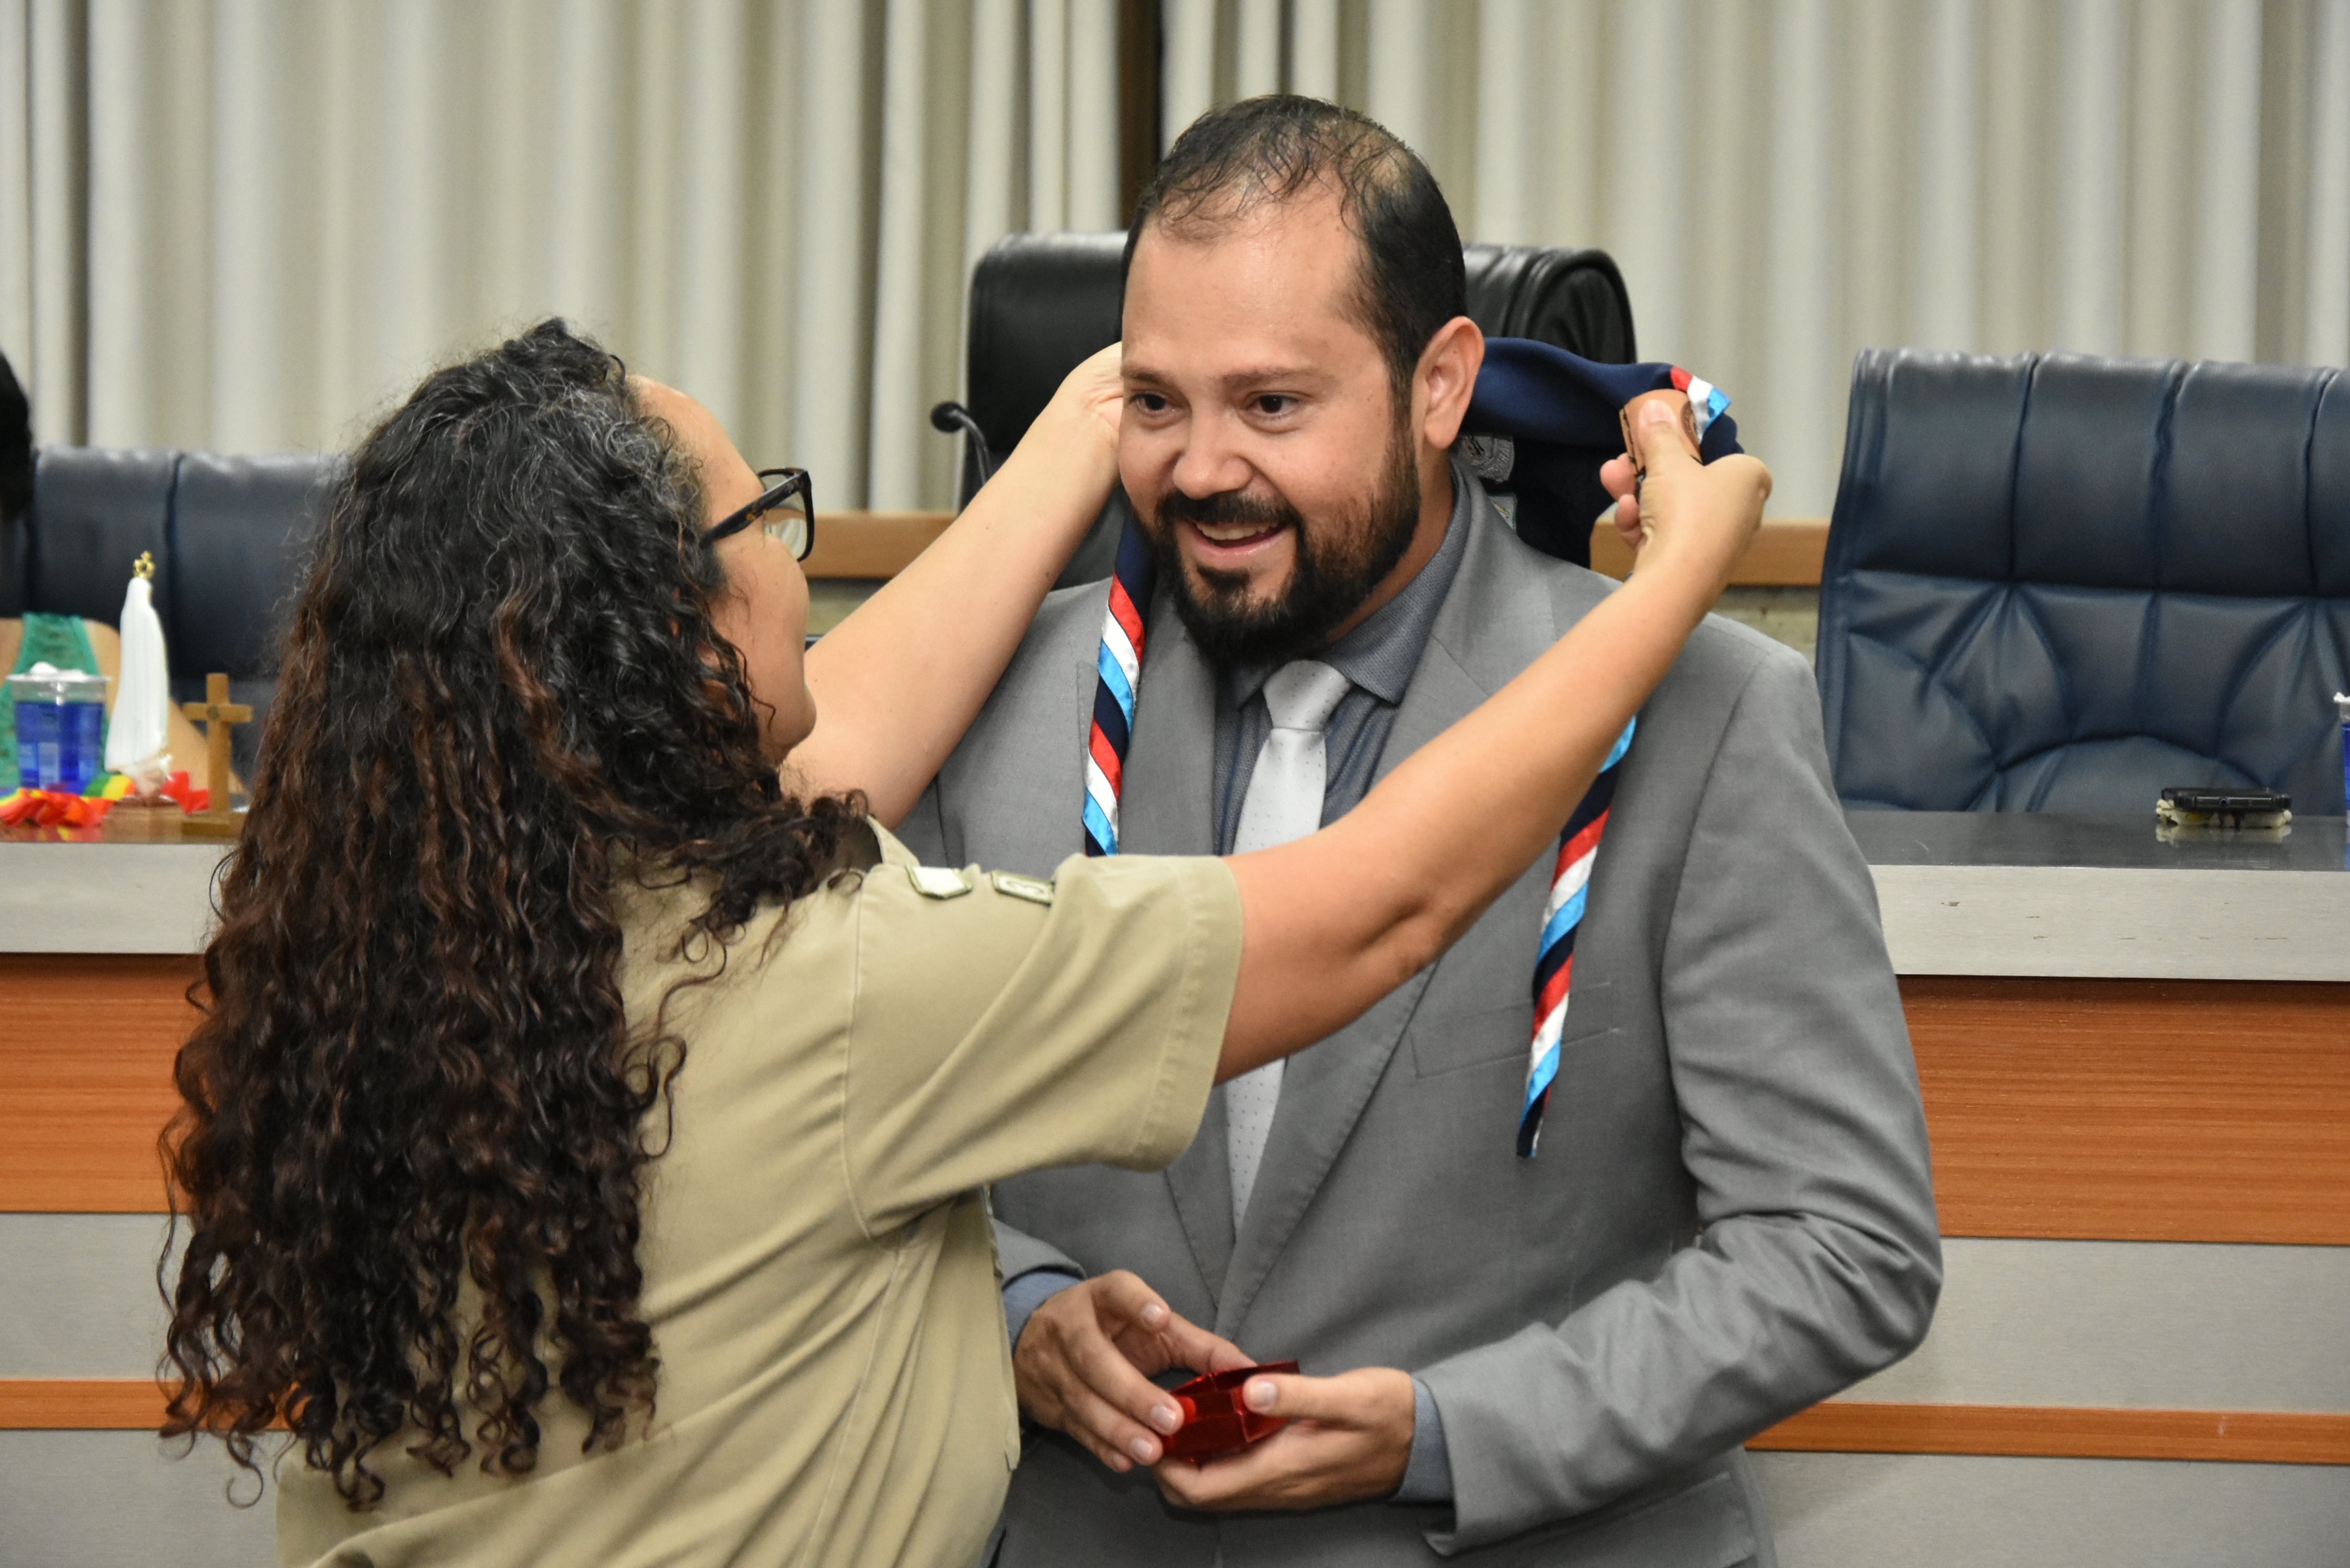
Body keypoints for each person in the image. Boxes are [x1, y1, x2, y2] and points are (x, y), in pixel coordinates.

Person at [158, 318, 1768, 1568]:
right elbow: (1380, 904)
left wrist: (1118, 407)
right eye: (767, 516)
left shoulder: (454, 934)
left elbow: (840, 733)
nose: (796, 561)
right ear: (669, 632)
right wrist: (1680, 576)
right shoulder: (829, 974)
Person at [897, 96, 1940, 1564]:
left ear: (1440, 385)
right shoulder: (989, 697)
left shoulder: (1705, 716)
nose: (1201, 469)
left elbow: (1842, 1249)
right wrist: (1012, 1309)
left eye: (1273, 405)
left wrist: (1450, 1433)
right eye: (1157, 403)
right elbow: (852, 1133)